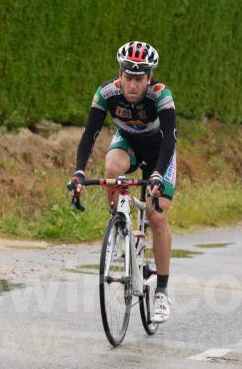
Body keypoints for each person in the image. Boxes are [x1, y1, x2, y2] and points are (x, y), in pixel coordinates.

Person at [70, 41, 177, 323]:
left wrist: (157, 173)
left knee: (156, 215)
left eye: (139, 79)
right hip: (128, 143)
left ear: (149, 78)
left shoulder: (161, 96)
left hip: (159, 152)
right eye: (127, 77)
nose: (132, 85)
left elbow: (169, 139)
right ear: (120, 74)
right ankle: (120, 224)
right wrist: (79, 171)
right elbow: (89, 134)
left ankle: (162, 292)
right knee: (112, 166)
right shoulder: (107, 93)